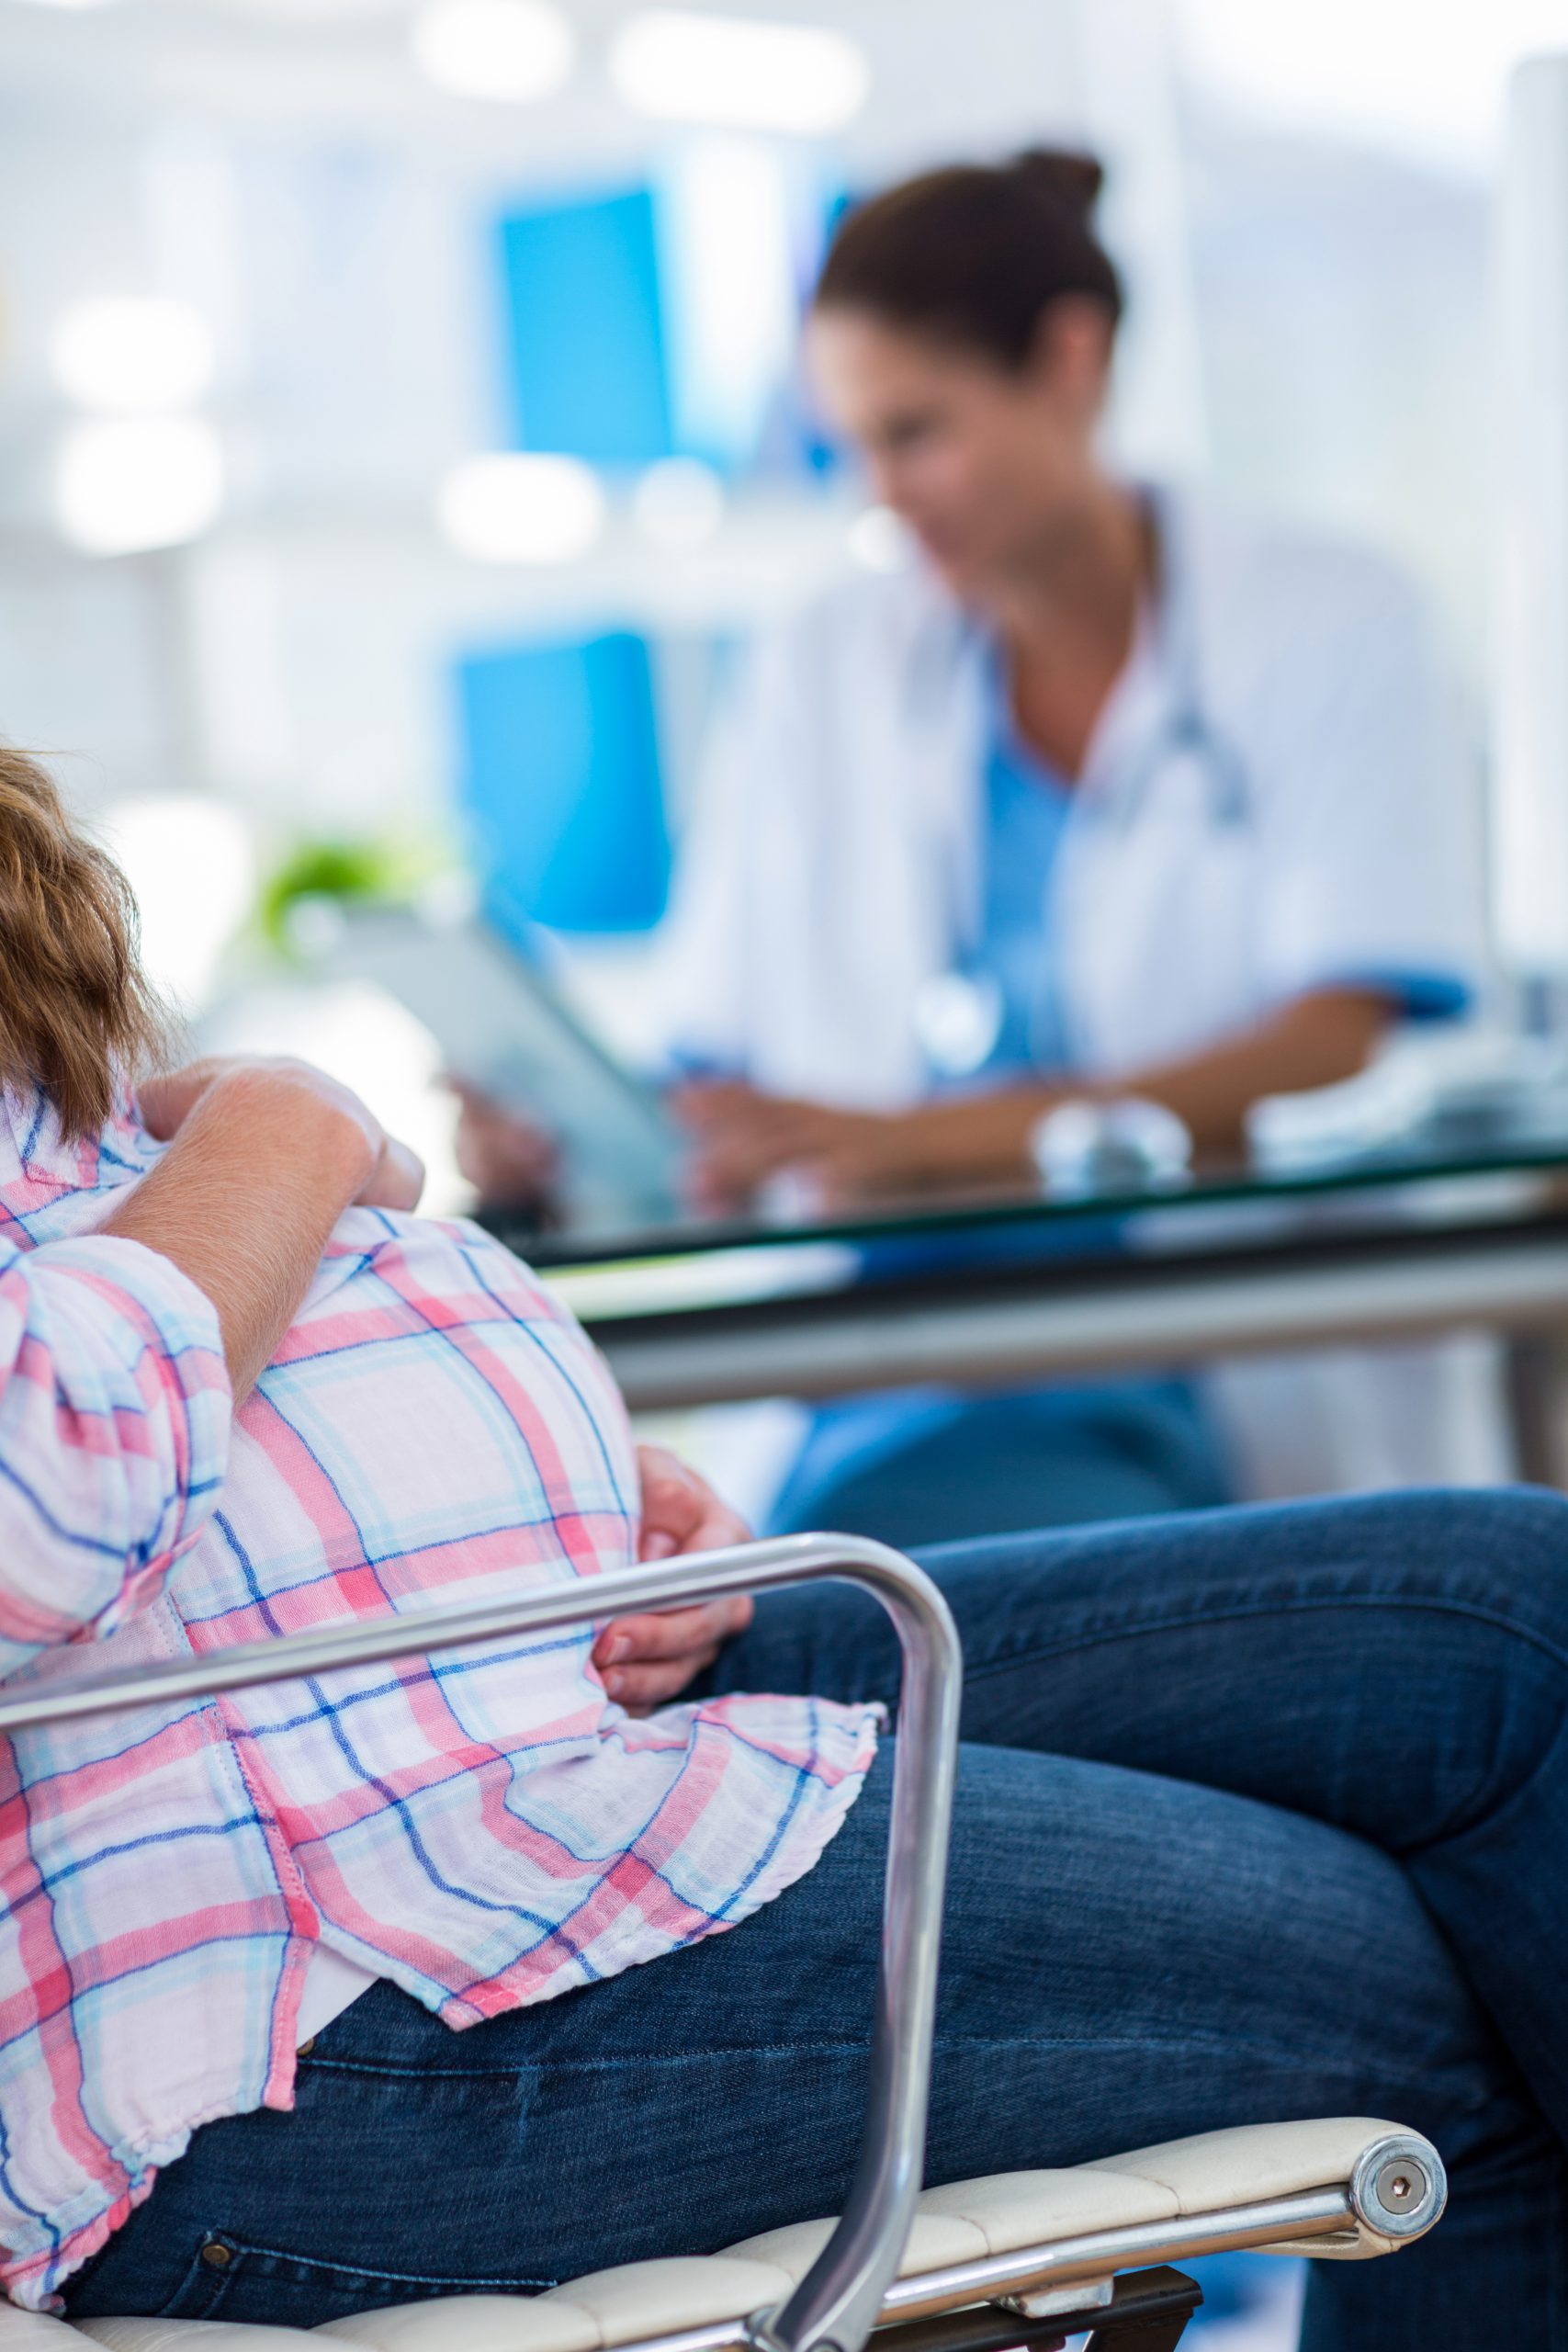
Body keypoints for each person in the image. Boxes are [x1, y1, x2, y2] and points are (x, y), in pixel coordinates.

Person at [0, 752, 1562, 2349]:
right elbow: (49, 1479)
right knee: (1482, 1998)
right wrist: (286, 1121)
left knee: (1522, 1617)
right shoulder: (244, 1126)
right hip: (317, 2006)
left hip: (543, 1728)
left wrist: (554, 1498)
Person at [459, 151, 1486, 1544]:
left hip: (1205, 1343)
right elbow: (721, 1053)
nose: (884, 494)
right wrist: (572, 1144)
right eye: (854, 446)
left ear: (1070, 358)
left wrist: (917, 1141)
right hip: (885, 1347)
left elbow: (1332, 1038)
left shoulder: (1331, 616)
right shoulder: (826, 659)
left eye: (918, 432)